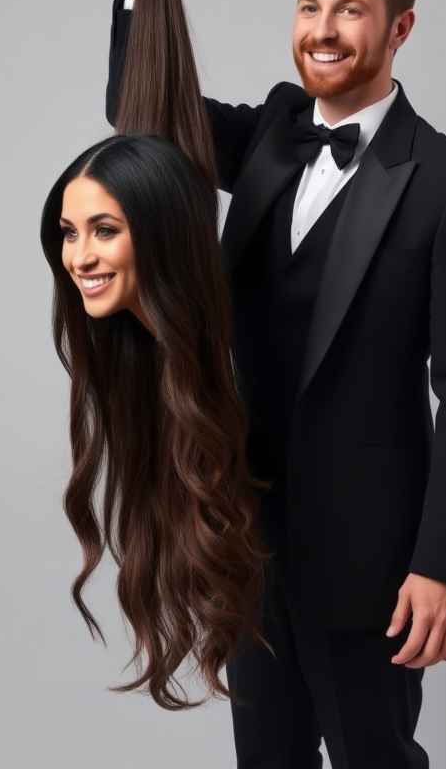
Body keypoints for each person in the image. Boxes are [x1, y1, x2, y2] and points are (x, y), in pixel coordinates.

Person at [106, 0, 446, 767]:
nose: (323, 31)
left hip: (371, 562)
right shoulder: (274, 134)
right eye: (309, 6)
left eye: (351, 11)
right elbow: (143, 120)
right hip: (243, 542)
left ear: (399, 28)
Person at [40, 132, 270, 710]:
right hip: (262, 595)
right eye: (70, 232)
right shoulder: (141, 351)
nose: (80, 256)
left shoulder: (247, 352)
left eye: (104, 230)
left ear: (162, 233)